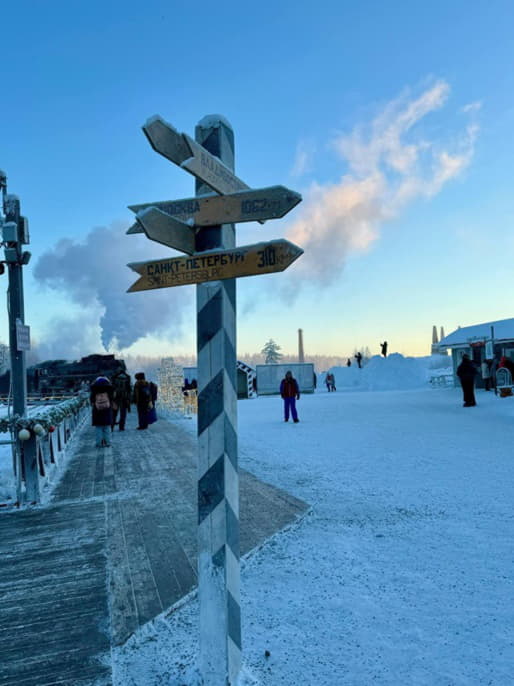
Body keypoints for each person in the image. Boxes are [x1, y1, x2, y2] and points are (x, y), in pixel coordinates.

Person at [90, 376, 114, 447]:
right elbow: (112, 398)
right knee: (107, 428)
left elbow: (91, 400)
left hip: (97, 411)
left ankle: (99, 443)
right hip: (107, 410)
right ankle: (108, 442)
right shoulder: (109, 389)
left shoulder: (94, 390)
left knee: (98, 428)